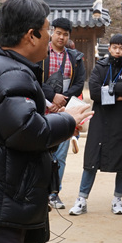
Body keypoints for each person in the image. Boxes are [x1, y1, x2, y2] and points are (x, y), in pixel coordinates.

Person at [0, 0, 93, 243]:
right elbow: (26, 132)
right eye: (47, 30)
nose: (51, 38)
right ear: (31, 35)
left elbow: (9, 129)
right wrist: (67, 121)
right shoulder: (13, 74)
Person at [68, 34, 122, 216]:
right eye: (114, 47)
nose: (118, 51)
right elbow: (94, 92)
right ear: (109, 49)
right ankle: (82, 199)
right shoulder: (101, 66)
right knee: (91, 160)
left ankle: (117, 199)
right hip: (101, 120)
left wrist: (110, 90)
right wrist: (119, 95)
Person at [38, 17, 86, 210]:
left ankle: (54, 193)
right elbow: (34, 79)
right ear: (52, 32)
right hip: (42, 107)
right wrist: (52, 98)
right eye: (58, 33)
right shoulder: (41, 54)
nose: (61, 37)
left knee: (61, 154)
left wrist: (63, 100)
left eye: (65, 34)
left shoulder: (75, 57)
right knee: (41, 151)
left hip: (65, 110)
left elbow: (79, 83)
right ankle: (39, 192)